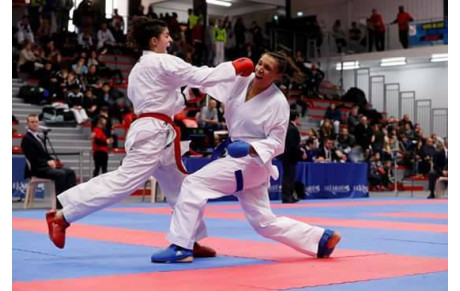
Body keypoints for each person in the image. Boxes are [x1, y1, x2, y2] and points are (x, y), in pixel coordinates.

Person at [45, 17, 254, 255]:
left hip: (158, 130)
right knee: (125, 183)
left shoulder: (139, 70)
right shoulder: (161, 61)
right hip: (152, 132)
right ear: (155, 41)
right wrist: (234, 68)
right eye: (166, 36)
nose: (170, 39)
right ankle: (63, 216)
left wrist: (185, 98)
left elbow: (162, 102)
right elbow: (200, 76)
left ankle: (187, 240)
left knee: (183, 188)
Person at [151, 51, 341, 263]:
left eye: (267, 68)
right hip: (241, 160)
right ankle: (322, 239)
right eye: (260, 63)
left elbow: (278, 143)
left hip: (251, 161)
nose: (260, 68)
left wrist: (250, 148)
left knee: (193, 184)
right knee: (264, 223)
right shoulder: (242, 81)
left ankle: (181, 246)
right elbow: (214, 80)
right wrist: (197, 87)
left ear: (278, 76)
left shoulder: (278, 103)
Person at [21, 114, 76, 209]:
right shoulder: (26, 139)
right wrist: (47, 163)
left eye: (36, 122)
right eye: (32, 122)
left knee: (70, 172)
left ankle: (70, 201)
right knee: (61, 174)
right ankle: (60, 205)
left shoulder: (39, 138)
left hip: (45, 167)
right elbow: (33, 158)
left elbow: (45, 155)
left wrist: (51, 160)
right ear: (28, 124)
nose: (35, 124)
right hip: (37, 169)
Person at [280, 111, 304, 203]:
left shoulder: (286, 127)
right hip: (290, 156)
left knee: (287, 176)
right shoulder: (292, 129)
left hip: (285, 155)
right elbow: (294, 145)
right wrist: (300, 154)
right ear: (297, 117)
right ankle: (287, 196)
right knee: (289, 176)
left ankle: (287, 196)